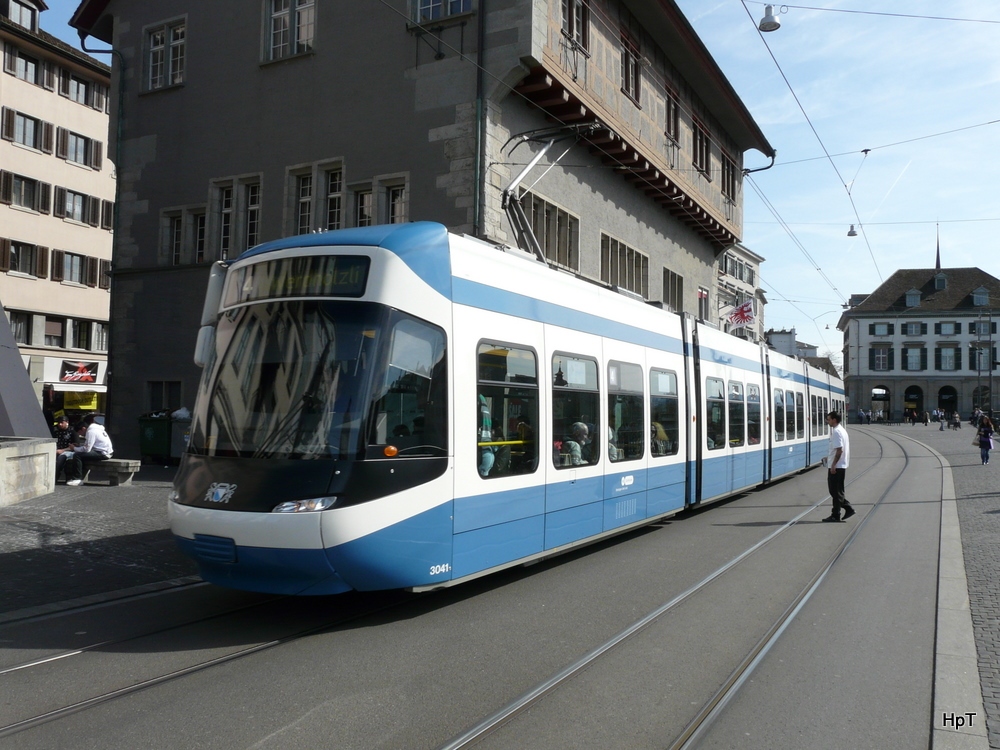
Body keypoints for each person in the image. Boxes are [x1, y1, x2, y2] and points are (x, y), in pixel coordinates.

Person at [822, 410, 854, 523]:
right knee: (836, 491)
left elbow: (840, 450)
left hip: (837, 466)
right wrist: (829, 458)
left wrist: (834, 465)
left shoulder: (836, 432)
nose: (827, 421)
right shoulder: (841, 430)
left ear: (834, 420)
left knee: (835, 491)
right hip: (839, 464)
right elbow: (837, 449)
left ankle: (839, 513)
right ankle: (841, 511)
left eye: (829, 419)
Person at [52, 416, 84, 485]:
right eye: (58, 423)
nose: (60, 424)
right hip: (56, 450)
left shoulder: (72, 431)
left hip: (69, 451)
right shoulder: (56, 431)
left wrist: (63, 450)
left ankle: (55, 477)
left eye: (62, 422)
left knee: (61, 458)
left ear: (67, 422)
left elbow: (76, 445)